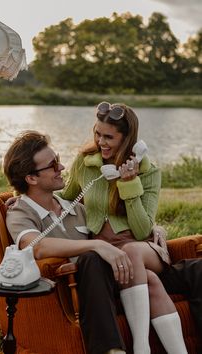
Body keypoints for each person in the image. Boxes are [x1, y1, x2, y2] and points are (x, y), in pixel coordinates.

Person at [59, 101, 188, 354]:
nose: (101, 141)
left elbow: (142, 230)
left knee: (131, 250)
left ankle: (141, 348)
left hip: (144, 249)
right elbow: (66, 197)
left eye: (109, 137)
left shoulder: (149, 173)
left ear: (128, 139)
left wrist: (128, 186)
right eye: (97, 133)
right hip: (108, 256)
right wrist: (24, 196)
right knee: (149, 282)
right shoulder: (86, 164)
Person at [4, 130, 129, 354]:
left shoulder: (75, 208)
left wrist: (153, 228)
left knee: (194, 270)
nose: (61, 168)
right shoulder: (19, 212)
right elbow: (36, 246)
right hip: (77, 293)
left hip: (115, 282)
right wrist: (95, 245)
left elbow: (117, 232)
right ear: (31, 178)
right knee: (90, 259)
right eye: (53, 165)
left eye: (59, 160)